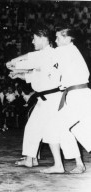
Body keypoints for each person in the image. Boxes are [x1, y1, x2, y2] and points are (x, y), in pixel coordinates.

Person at [7, 23, 62, 168]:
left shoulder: (45, 55)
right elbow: (34, 76)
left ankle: (30, 159)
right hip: (48, 97)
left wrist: (12, 63)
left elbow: (28, 60)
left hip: (49, 98)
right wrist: (18, 75)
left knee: (35, 128)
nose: (32, 42)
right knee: (35, 128)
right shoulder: (47, 55)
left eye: (34, 39)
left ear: (43, 38)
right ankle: (32, 159)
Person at [40, 24, 89, 174]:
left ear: (67, 39)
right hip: (79, 94)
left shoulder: (64, 50)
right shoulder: (71, 51)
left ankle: (61, 165)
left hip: (78, 95)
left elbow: (45, 57)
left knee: (56, 127)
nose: (55, 40)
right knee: (70, 128)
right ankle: (77, 164)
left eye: (57, 37)